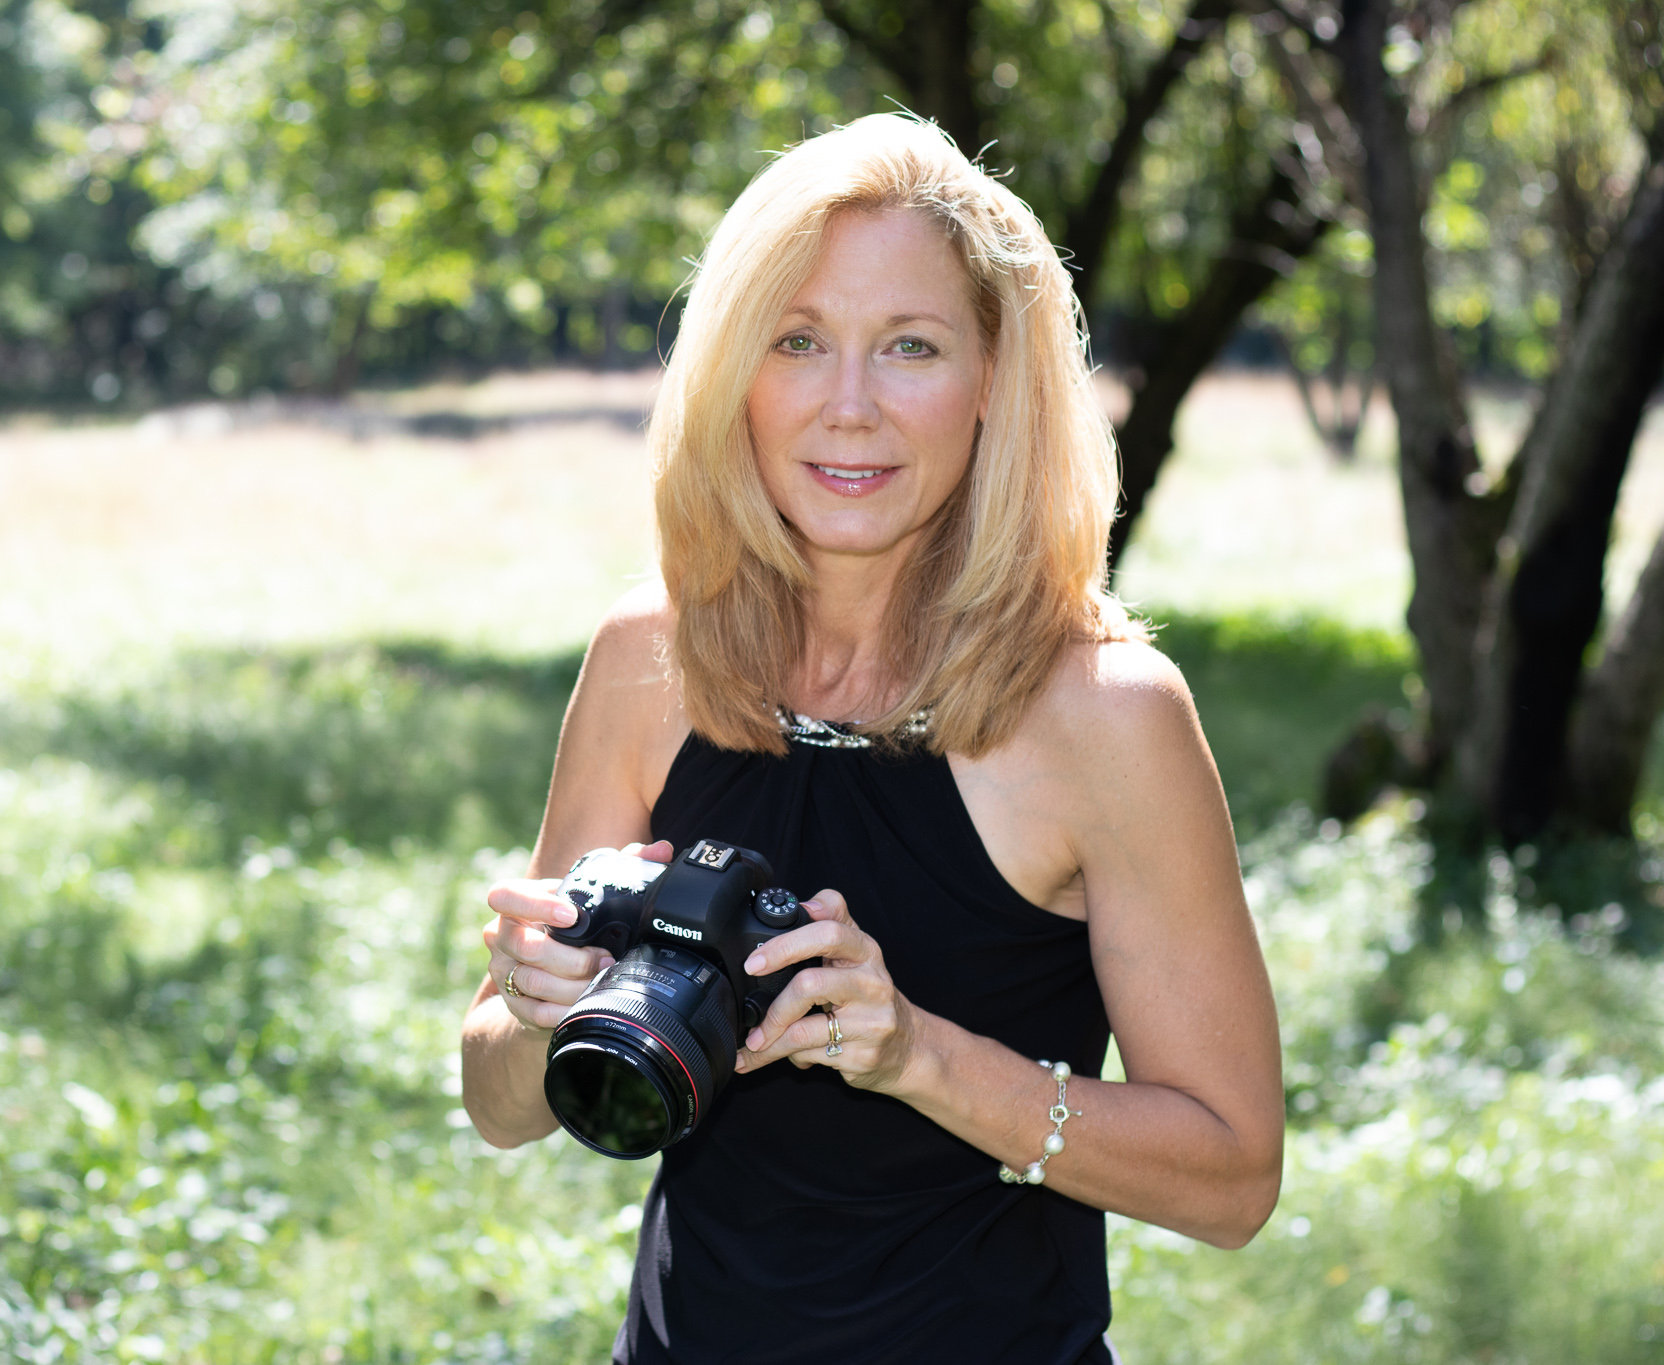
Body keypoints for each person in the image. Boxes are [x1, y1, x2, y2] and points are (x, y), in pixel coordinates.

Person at [460, 113, 1282, 1364]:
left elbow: (1230, 1180)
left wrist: (919, 1057)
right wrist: (531, 1009)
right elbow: (499, 1105)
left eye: (908, 346)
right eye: (798, 342)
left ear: (993, 380)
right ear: (737, 371)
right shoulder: (649, 656)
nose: (848, 408)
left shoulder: (1108, 715)